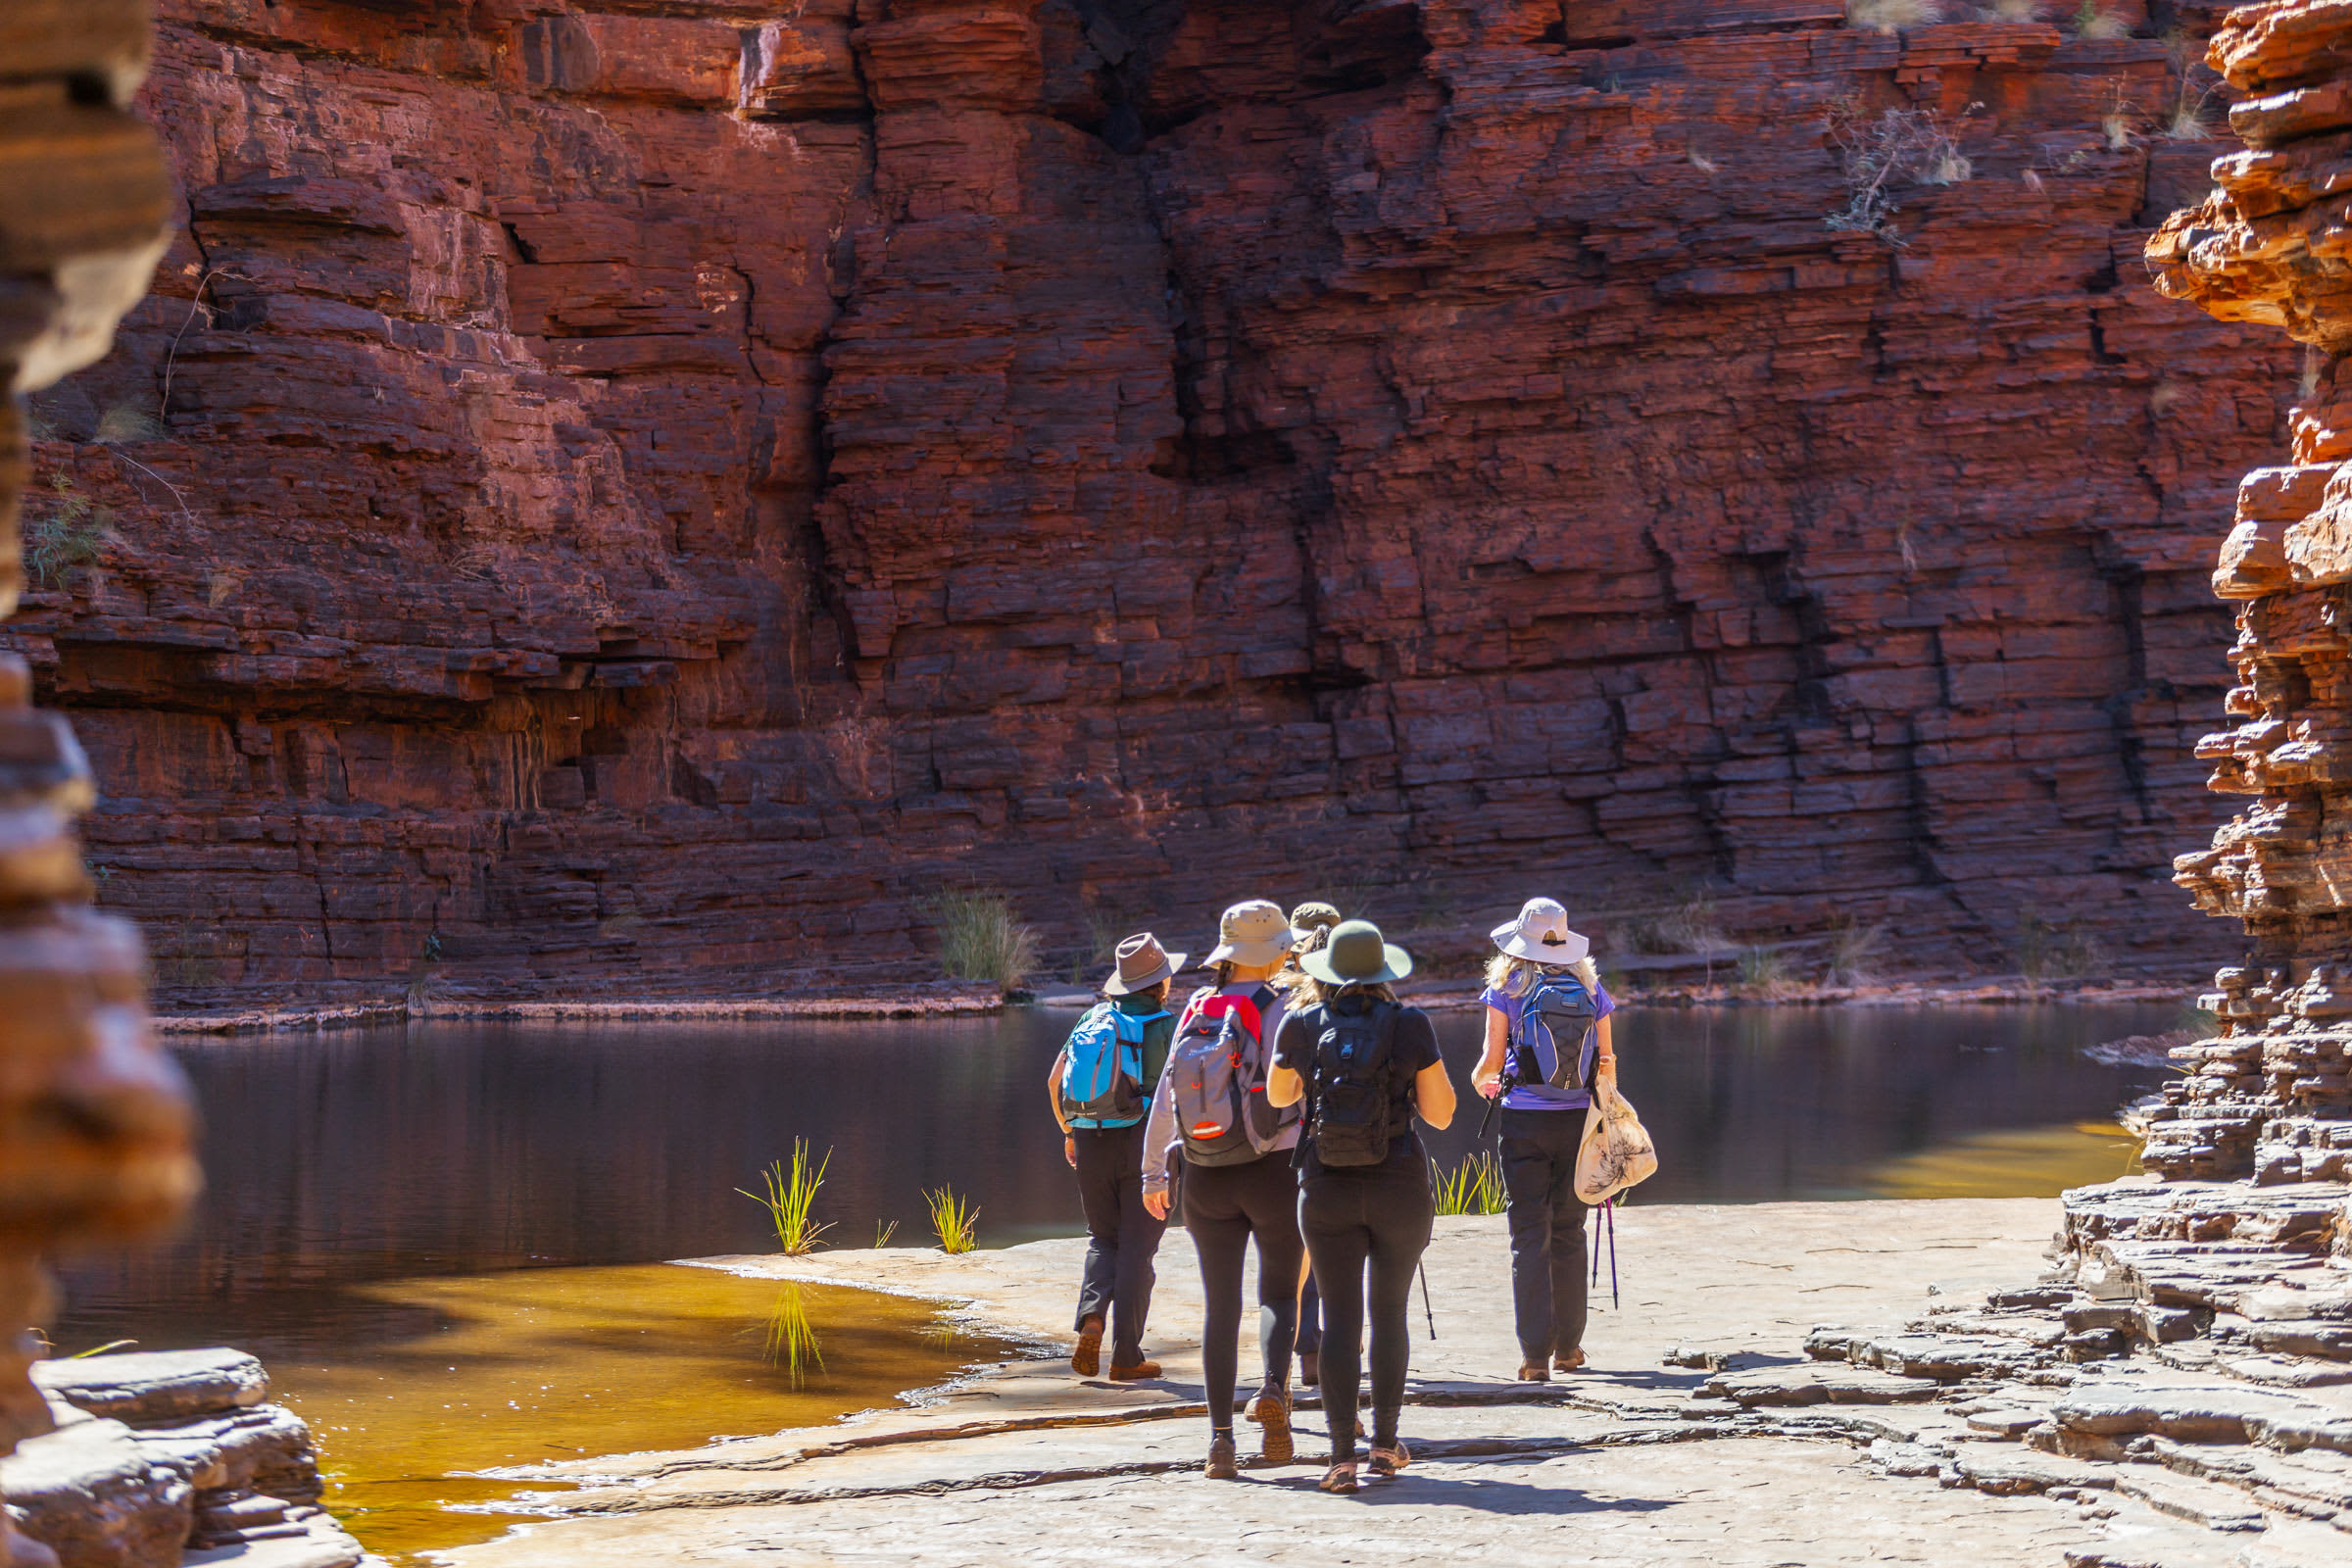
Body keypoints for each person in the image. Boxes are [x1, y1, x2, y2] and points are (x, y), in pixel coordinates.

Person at [1268, 918, 1455, 1494]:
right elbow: (1443, 1113)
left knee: (1340, 1319)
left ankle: (1341, 1459)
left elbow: (1278, 1097)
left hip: (1325, 1187)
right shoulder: (1410, 1024)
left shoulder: (1300, 1022)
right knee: (1389, 1313)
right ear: (1382, 973)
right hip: (1398, 1183)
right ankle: (1384, 1444)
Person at [1142, 899, 1304, 1479]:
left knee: (1219, 1305)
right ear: (1278, 951)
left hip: (1203, 1171)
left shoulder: (1197, 1007)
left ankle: (1219, 1443)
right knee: (1279, 1294)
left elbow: (1166, 1097)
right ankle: (1273, 1394)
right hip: (1273, 1168)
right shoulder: (1286, 1006)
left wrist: (1153, 1174)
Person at [1471, 897, 1616, 1382]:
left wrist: (1482, 1082)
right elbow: (1608, 1064)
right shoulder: (1590, 986)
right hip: (1578, 1123)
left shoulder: (1507, 986)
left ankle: (1535, 1358)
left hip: (1524, 1124)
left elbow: (1490, 1065)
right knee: (1571, 1232)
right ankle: (1569, 1349)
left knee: (1528, 1234)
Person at [1048, 933, 1185, 1381]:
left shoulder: (1093, 1016)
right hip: (1147, 1143)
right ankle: (1127, 1357)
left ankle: (1091, 1322)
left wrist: (1071, 1132)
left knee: (1102, 1239)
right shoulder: (1166, 1024)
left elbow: (1054, 1082)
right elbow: (1179, 1095)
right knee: (1137, 1251)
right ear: (1161, 983)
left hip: (1089, 1139)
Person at [1281, 900, 1343, 1389]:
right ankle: (1322, 1350)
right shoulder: (1350, 990)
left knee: (1289, 1251)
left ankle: (1290, 1355)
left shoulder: (1276, 992)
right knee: (1327, 1247)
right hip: (1332, 1136)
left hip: (1276, 1138)